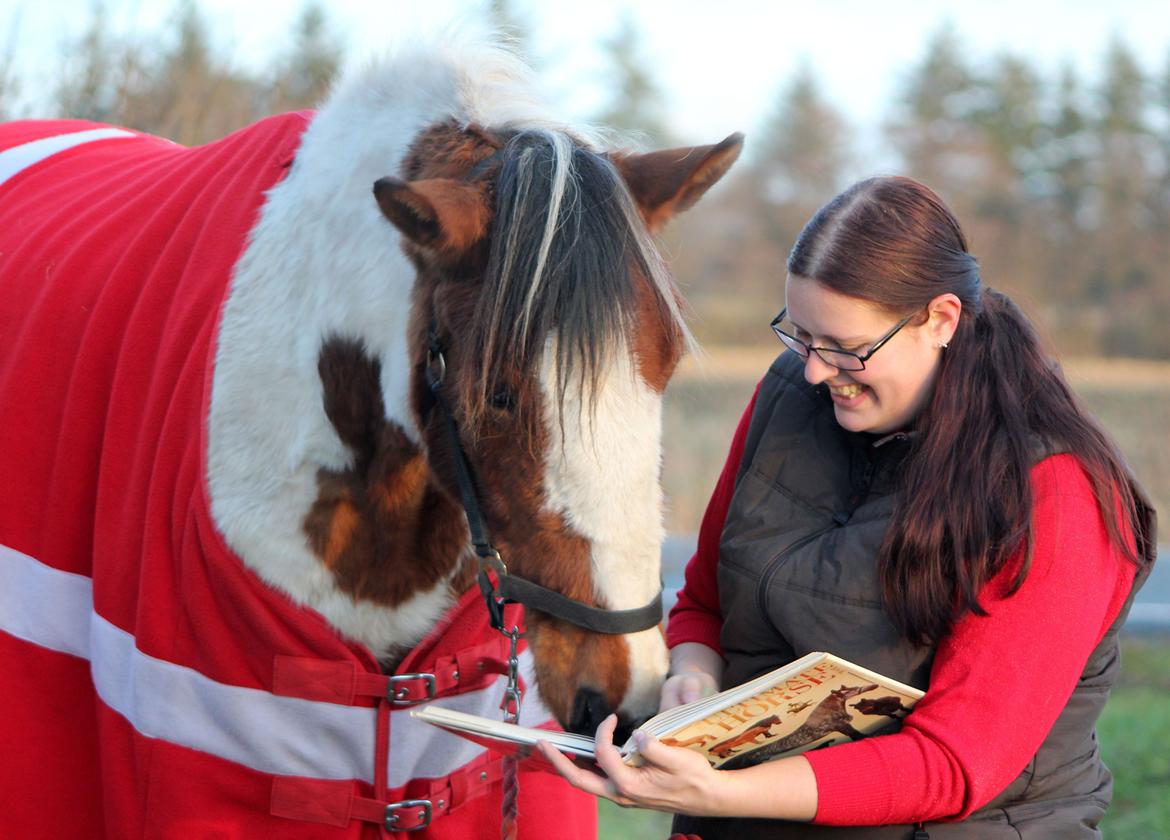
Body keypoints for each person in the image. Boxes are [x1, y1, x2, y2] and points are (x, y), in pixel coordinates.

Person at [538, 175, 1157, 838]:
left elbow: (954, 762)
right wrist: (693, 678)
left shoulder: (1057, 493)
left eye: (845, 346)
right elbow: (706, 601)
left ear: (940, 320)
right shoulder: (789, 395)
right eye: (798, 334)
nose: (813, 370)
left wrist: (724, 794)